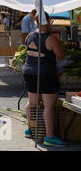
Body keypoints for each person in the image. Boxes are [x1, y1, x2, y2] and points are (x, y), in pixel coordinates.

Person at [23, 12, 66, 147]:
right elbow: (61, 56)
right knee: (48, 105)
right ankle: (49, 136)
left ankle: (29, 129)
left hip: (29, 71)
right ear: (47, 21)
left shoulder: (29, 36)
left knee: (32, 102)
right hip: (46, 73)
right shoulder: (50, 38)